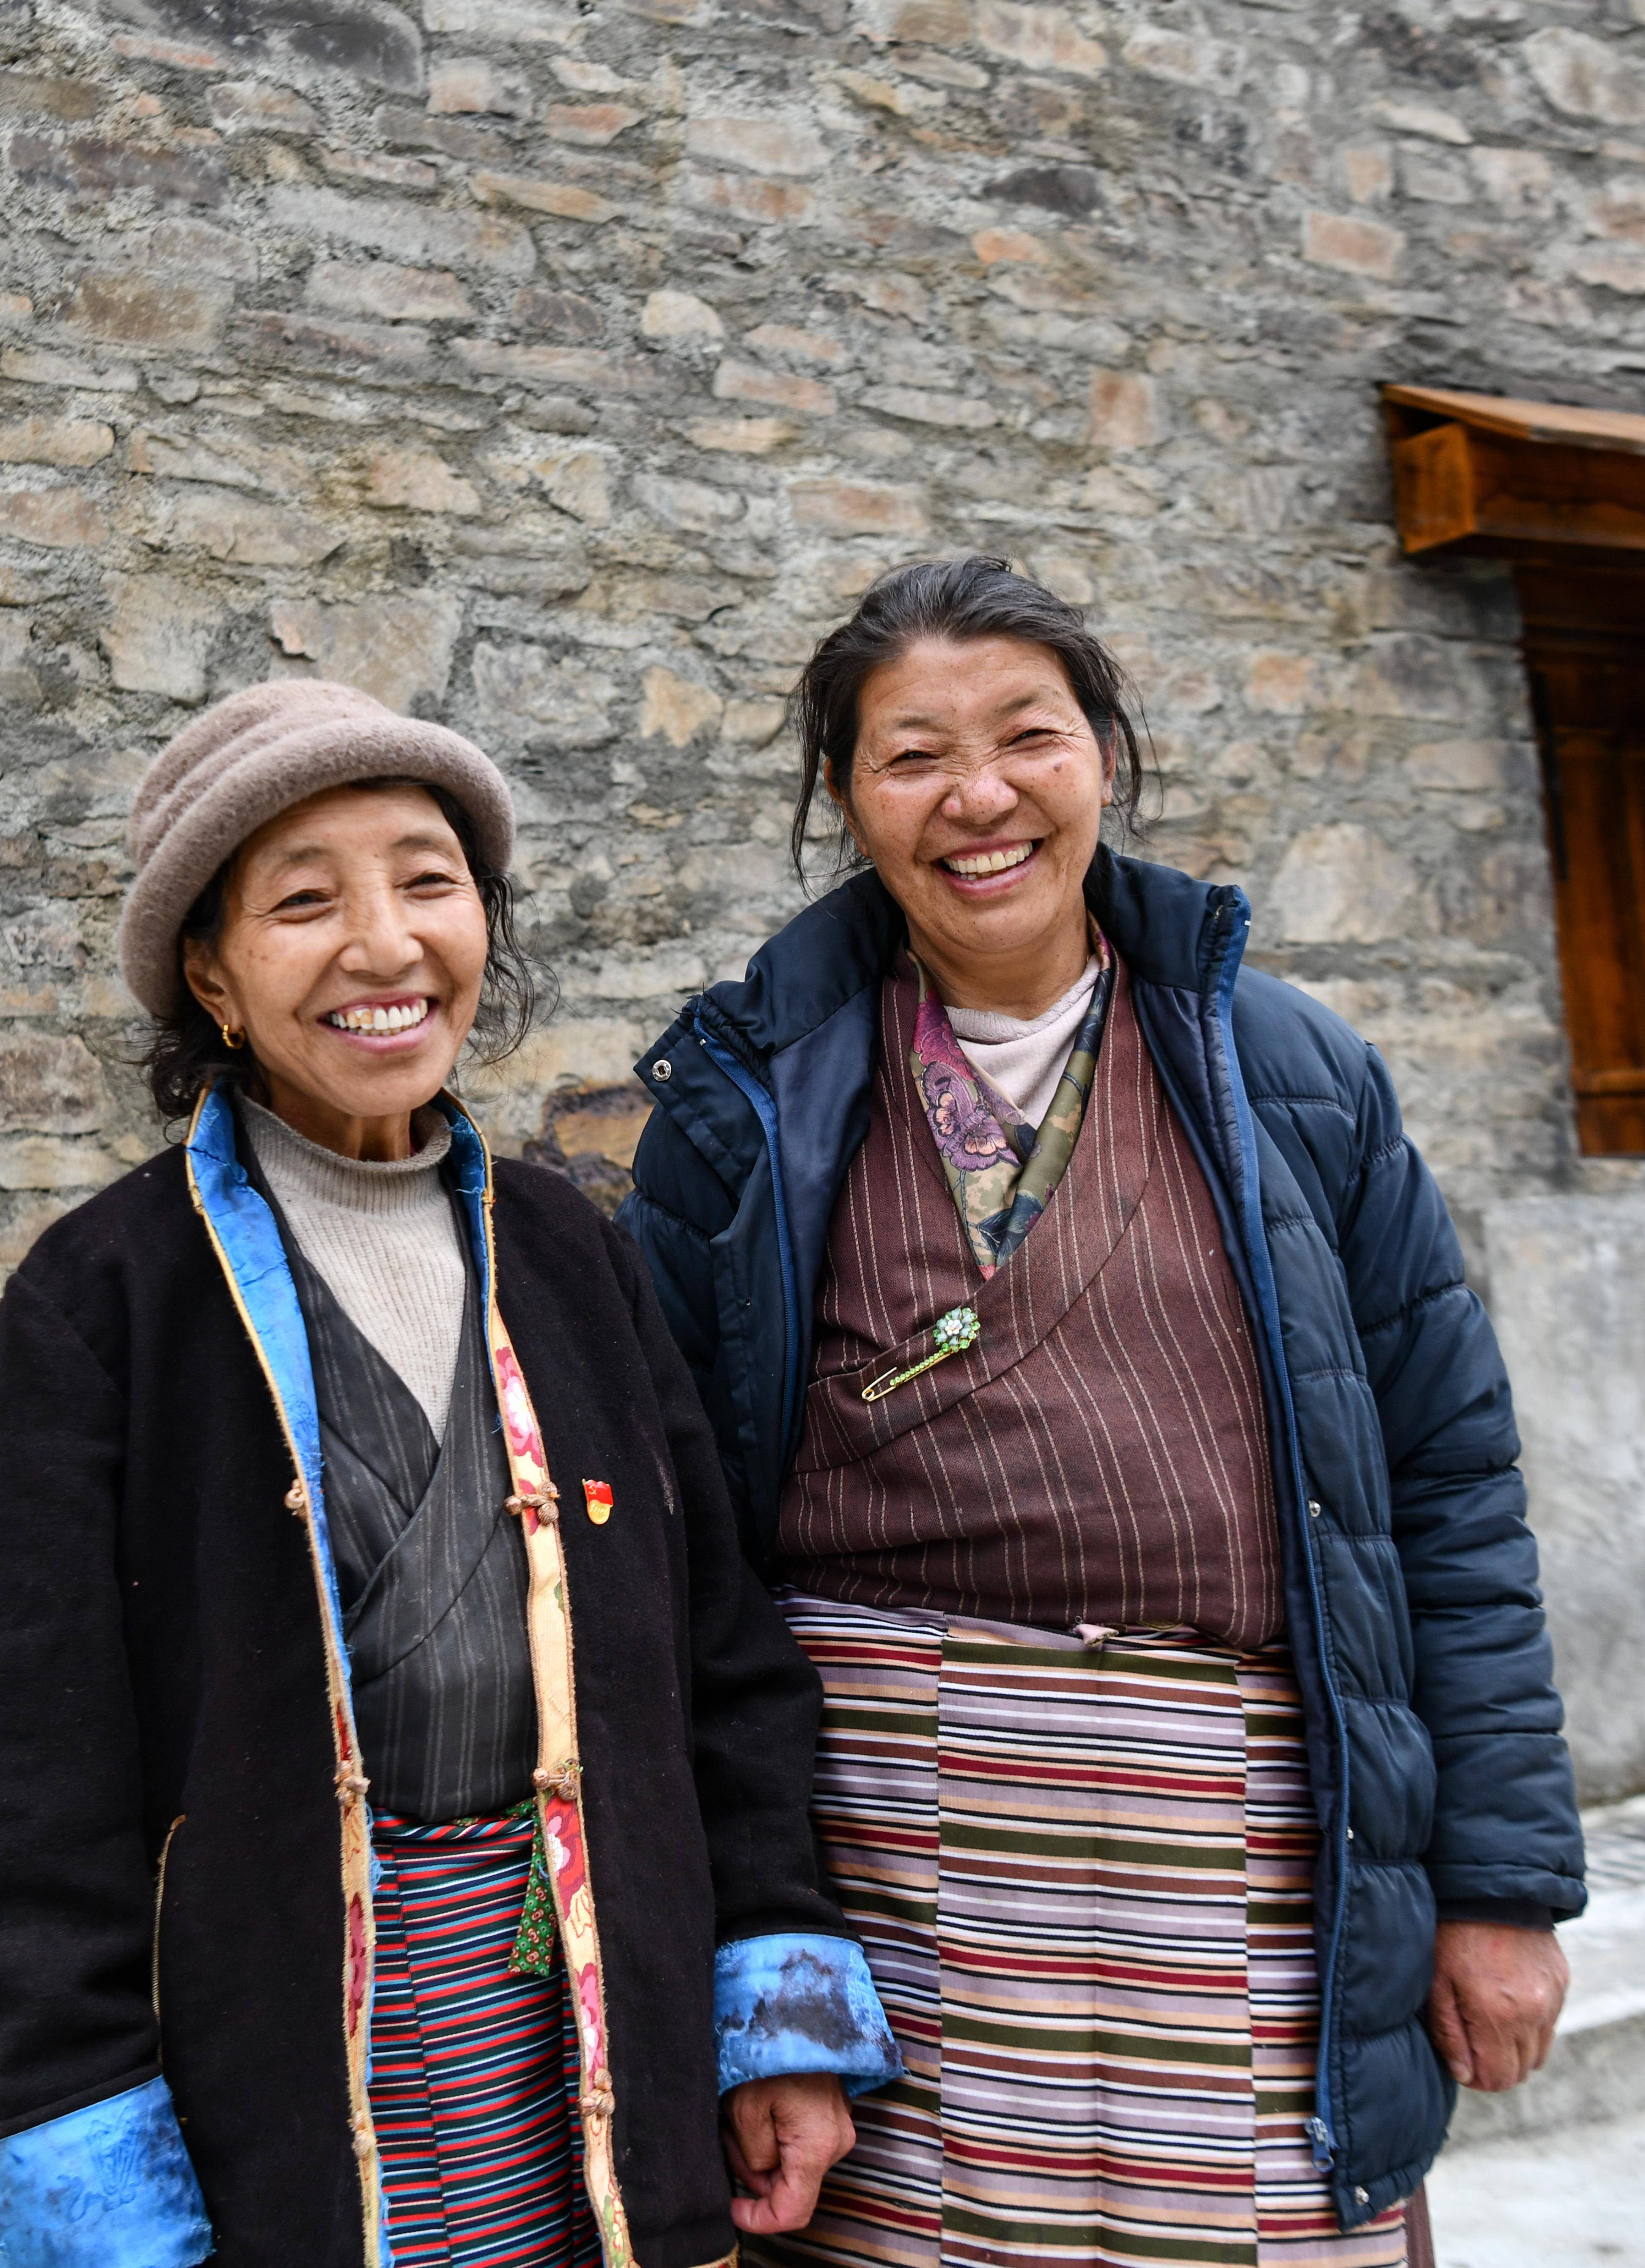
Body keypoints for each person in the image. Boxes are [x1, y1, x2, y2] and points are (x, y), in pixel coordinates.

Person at [618, 559, 1584, 2268]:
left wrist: (1495, 1886)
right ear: (843, 800)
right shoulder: (744, 1109)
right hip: (886, 1849)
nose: (976, 797)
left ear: (1105, 759)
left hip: (1244, 1842)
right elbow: (676, 1548)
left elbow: (1442, 1487)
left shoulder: (1293, 1075)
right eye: (911, 755)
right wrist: (751, 1944)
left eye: (1025, 738)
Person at [0, 679, 901, 2268]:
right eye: (305, 901)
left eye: (427, 880)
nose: (384, 945)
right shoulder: (112, 1297)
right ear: (211, 978)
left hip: (586, 2019)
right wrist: (87, 2155)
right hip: (288, 2061)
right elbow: (20, 1793)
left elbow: (717, 1662)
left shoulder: (569, 1248)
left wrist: (773, 2014)